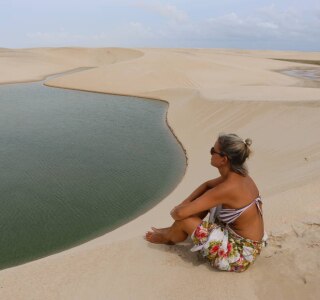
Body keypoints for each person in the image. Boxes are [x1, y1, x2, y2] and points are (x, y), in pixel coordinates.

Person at [145, 133, 267, 272]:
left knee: (184, 220)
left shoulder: (229, 188)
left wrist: (180, 209)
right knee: (200, 202)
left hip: (239, 256)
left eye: (212, 151)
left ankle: (170, 237)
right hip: (249, 245)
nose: (210, 153)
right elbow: (207, 185)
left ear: (223, 160)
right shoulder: (239, 177)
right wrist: (185, 203)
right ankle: (171, 232)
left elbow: (178, 214)